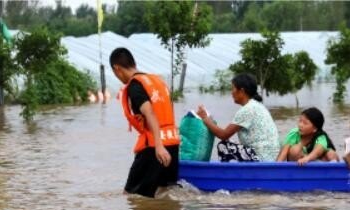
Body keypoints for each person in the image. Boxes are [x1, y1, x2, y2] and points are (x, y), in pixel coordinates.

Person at [110, 47, 180, 198]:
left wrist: (159, 146)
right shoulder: (157, 81)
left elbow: (149, 112)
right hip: (173, 143)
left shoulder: (135, 85)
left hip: (155, 148)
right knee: (164, 193)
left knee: (131, 196)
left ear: (117, 68)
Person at [196, 73, 280, 161]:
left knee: (223, 146)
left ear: (242, 91)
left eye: (233, 88)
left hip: (261, 158)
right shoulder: (257, 105)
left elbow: (223, 135)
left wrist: (205, 119)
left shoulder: (247, 110)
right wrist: (209, 121)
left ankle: (231, 173)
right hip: (271, 157)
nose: (231, 93)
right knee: (231, 144)